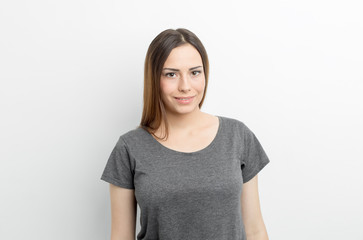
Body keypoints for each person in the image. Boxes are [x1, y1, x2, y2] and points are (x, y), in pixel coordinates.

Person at [101, 28, 270, 240]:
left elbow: (255, 230)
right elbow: (120, 236)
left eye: (195, 72)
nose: (185, 86)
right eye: (171, 74)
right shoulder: (129, 148)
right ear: (154, 79)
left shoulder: (238, 136)